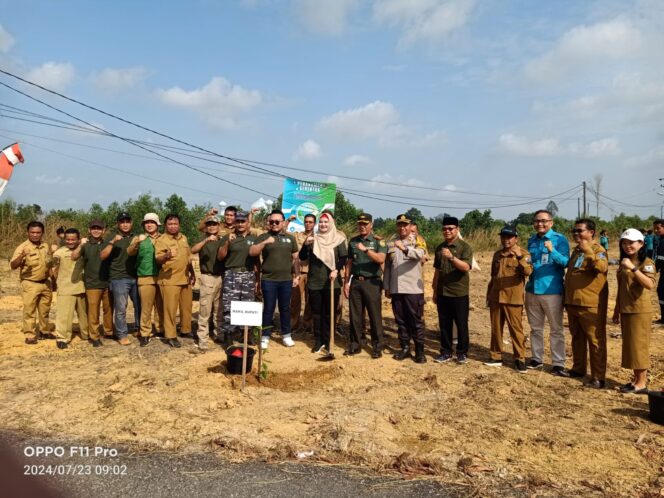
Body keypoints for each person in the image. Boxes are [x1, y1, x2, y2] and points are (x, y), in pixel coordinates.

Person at [564, 219, 609, 388]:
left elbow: (602, 267)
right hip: (573, 301)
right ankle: (578, 368)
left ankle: (598, 377)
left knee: (595, 340)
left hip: (590, 304)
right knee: (577, 338)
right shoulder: (576, 250)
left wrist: (589, 251)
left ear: (591, 232)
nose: (576, 234)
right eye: (574, 231)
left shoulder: (598, 249)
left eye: (580, 231)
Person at [525, 209, 570, 376]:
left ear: (551, 222)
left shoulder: (559, 240)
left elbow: (566, 262)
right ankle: (536, 358)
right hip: (532, 289)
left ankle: (558, 363)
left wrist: (553, 250)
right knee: (535, 328)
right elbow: (532, 262)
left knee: (556, 329)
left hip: (552, 290)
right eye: (537, 221)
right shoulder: (531, 240)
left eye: (544, 221)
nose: (540, 224)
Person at [611, 229, 656, 393]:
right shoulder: (624, 262)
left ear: (641, 243)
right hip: (626, 309)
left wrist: (633, 269)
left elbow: (650, 285)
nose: (627, 246)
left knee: (639, 346)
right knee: (631, 346)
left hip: (639, 310)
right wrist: (616, 311)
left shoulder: (647, 263)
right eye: (624, 242)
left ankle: (642, 383)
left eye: (631, 242)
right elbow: (622, 289)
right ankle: (636, 379)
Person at [249, 209, 300, 349]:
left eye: (277, 221)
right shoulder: (263, 236)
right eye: (271, 221)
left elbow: (296, 258)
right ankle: (265, 336)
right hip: (268, 279)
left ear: (283, 223)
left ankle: (286, 335)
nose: (274, 224)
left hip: (286, 280)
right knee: (268, 309)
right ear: (268, 222)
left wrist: (297, 276)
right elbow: (252, 251)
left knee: (285, 308)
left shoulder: (290, 238)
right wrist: (265, 242)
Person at [485, 226, 532, 372]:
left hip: (513, 298)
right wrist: (489, 295)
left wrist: (519, 257)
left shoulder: (523, 254)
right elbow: (493, 276)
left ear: (516, 239)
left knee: (516, 330)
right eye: (503, 237)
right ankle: (496, 356)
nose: (506, 240)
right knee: (496, 328)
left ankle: (519, 358)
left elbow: (528, 271)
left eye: (509, 237)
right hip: (496, 297)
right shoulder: (497, 255)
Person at [299, 212, 347, 354]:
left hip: (332, 282)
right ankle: (318, 340)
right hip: (315, 282)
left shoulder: (338, 239)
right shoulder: (313, 238)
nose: (323, 225)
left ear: (331, 223)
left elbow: (343, 258)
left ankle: (328, 340)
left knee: (329, 313)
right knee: (317, 313)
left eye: (326, 222)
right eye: (321, 222)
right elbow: (302, 257)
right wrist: (305, 245)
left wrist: (336, 269)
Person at [384, 214, 427, 363]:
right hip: (396, 288)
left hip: (412, 289)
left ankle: (420, 351)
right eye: (400, 225)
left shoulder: (418, 241)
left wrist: (405, 249)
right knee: (400, 321)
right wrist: (387, 286)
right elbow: (388, 266)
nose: (402, 228)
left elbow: (421, 254)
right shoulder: (391, 242)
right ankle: (405, 348)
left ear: (410, 226)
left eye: (405, 225)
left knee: (415, 321)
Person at [343, 213, 387, 357]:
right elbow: (349, 262)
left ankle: (377, 346)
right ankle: (356, 344)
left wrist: (366, 250)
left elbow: (381, 259)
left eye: (365, 224)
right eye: (360, 224)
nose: (362, 226)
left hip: (372, 282)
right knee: (355, 316)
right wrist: (346, 282)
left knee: (374, 315)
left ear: (371, 225)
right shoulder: (353, 241)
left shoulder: (378, 242)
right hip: (356, 282)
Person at [432, 216, 473, 364]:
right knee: (444, 324)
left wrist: (451, 258)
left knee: (461, 324)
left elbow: (466, 267)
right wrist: (435, 290)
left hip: (459, 293)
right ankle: (446, 351)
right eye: (444, 229)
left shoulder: (464, 247)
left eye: (450, 228)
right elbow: (437, 271)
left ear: (457, 229)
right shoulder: (439, 248)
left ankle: (462, 352)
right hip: (443, 292)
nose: (447, 231)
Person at [217, 211, 260, 346]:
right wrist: (228, 243)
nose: (240, 224)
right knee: (230, 306)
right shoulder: (228, 237)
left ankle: (246, 335)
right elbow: (220, 257)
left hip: (248, 275)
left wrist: (258, 279)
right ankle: (229, 336)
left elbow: (257, 261)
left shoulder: (254, 239)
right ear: (235, 222)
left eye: (243, 221)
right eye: (238, 221)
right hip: (232, 275)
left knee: (248, 305)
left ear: (248, 223)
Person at [154, 214, 196, 348]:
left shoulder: (183, 238)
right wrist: (166, 255)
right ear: (166, 225)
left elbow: (187, 257)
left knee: (186, 307)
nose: (173, 226)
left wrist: (192, 273)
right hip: (170, 280)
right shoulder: (161, 240)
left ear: (179, 225)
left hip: (185, 278)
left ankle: (185, 330)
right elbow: (157, 259)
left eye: (175, 224)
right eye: (170, 224)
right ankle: (171, 335)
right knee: (170, 309)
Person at [100, 212, 140, 345]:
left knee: (139, 305)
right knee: (121, 308)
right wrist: (112, 242)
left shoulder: (136, 237)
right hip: (118, 278)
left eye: (127, 221)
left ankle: (138, 328)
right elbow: (102, 256)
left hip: (136, 277)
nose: (125, 224)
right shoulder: (112, 238)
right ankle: (122, 334)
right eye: (122, 222)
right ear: (118, 224)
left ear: (131, 223)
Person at [11, 221, 54, 344]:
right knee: (29, 310)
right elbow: (13, 265)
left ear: (42, 233)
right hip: (30, 283)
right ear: (28, 233)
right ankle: (30, 334)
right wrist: (22, 256)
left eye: (38, 232)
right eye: (32, 232)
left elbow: (48, 263)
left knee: (45, 310)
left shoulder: (46, 246)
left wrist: (53, 280)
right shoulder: (22, 247)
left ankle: (44, 331)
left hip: (45, 283)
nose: (35, 235)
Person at [72, 219, 113, 346]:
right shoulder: (85, 245)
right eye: (94, 228)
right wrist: (80, 244)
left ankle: (109, 332)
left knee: (109, 310)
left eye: (99, 228)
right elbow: (73, 256)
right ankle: (94, 336)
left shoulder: (108, 243)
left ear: (103, 230)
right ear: (89, 230)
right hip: (92, 284)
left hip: (107, 282)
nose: (96, 230)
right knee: (93, 311)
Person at [127, 213, 164, 347]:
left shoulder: (164, 238)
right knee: (146, 308)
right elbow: (130, 252)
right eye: (147, 222)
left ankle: (160, 329)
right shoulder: (139, 238)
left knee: (160, 306)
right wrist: (137, 242)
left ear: (157, 225)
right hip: (145, 276)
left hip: (162, 277)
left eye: (152, 222)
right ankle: (145, 333)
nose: (149, 225)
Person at [191, 215, 224, 351]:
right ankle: (202, 339)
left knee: (219, 310)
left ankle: (219, 334)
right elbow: (192, 250)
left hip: (221, 277)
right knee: (205, 310)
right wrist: (206, 240)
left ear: (218, 226)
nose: (212, 227)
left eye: (214, 224)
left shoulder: (223, 240)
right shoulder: (203, 240)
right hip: (207, 277)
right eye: (209, 224)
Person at [51, 228, 88, 349]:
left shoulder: (84, 249)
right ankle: (62, 338)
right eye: (68, 239)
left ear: (78, 239)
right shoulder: (60, 252)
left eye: (73, 239)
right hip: (66, 288)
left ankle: (86, 334)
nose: (70, 242)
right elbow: (52, 265)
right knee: (64, 316)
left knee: (85, 315)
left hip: (82, 287)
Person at [291, 213, 315, 334]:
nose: (308, 224)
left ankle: (307, 324)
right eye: (306, 221)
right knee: (295, 300)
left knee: (310, 300)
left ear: (314, 223)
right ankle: (293, 325)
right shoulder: (297, 236)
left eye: (310, 222)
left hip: (312, 273)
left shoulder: (319, 237)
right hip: (299, 271)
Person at [653, 219, 664, 325]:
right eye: (654, 228)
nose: (656, 230)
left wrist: (655, 269)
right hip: (662, 272)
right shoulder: (660, 239)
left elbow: (661, 258)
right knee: (661, 292)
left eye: (658, 228)